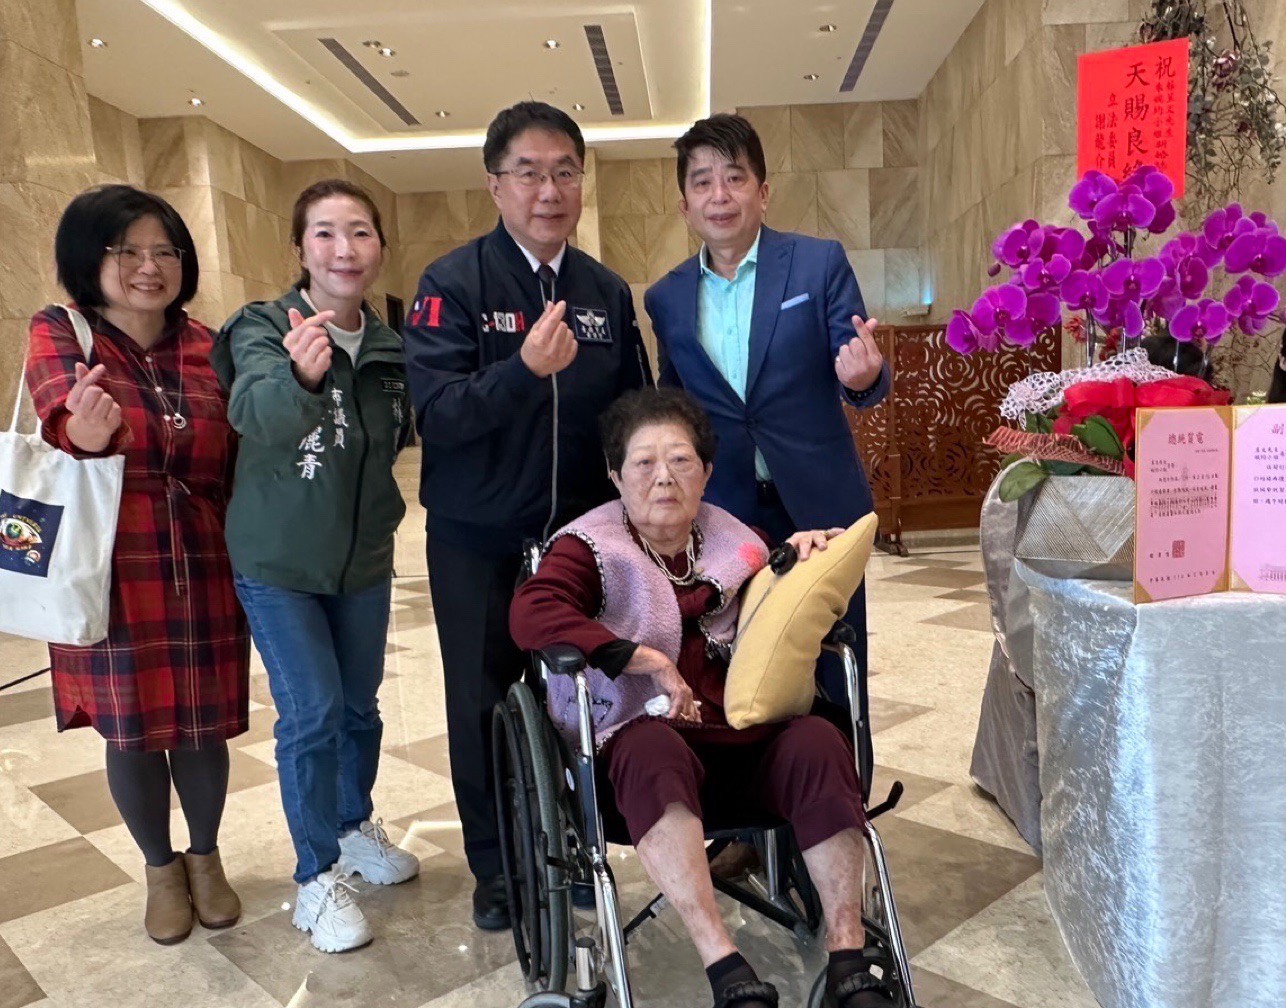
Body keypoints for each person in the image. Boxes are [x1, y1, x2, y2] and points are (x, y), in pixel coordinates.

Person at [511, 388, 895, 1008]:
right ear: (615, 475)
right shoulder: (589, 547)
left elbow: (775, 596)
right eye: (644, 463)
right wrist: (643, 658)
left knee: (819, 741)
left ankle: (848, 959)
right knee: (652, 750)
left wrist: (797, 560)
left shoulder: (738, 540)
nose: (664, 477)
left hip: (747, 743)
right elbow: (533, 612)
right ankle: (727, 968)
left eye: (681, 460)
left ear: (708, 472)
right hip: (643, 756)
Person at [403, 101, 652, 930]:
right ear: (495, 184)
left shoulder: (604, 292)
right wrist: (522, 370)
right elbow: (436, 415)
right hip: (476, 540)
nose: (549, 190)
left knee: (577, 698)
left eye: (565, 173)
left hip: (578, 542)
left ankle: (576, 848)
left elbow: (631, 415)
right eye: (529, 173)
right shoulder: (452, 284)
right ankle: (498, 870)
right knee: (481, 702)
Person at [23, 184, 249, 945]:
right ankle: (160, 870)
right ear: (89, 259)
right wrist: (84, 434)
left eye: (165, 251)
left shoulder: (210, 344)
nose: (150, 267)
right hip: (108, 562)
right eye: (127, 251)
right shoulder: (63, 331)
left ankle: (206, 859)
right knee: (131, 728)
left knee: (203, 725)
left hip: (205, 554)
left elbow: (241, 447)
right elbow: (60, 415)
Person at [212, 179, 417, 954]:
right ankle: (315, 876)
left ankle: (352, 826)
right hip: (280, 563)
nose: (344, 249)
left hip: (361, 560)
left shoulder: (391, 348)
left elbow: (396, 440)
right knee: (314, 713)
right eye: (325, 232)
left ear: (380, 248)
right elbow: (254, 414)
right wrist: (300, 378)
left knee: (360, 708)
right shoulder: (264, 328)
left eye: (359, 232)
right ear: (300, 248)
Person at [644, 113, 888, 710]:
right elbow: (673, 403)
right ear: (684, 205)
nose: (719, 195)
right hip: (726, 511)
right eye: (702, 182)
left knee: (834, 657)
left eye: (735, 177)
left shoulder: (817, 264)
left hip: (820, 498)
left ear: (763, 191)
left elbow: (857, 362)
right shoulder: (666, 297)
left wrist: (864, 378)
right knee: (740, 660)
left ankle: (843, 767)